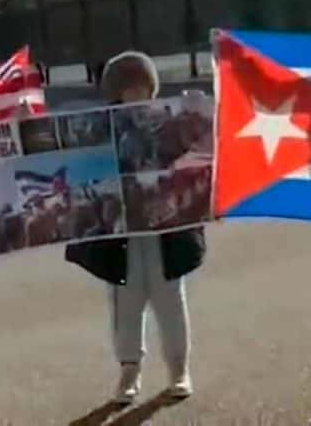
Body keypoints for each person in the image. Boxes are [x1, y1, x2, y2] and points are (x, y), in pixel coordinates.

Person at [65, 51, 206, 405]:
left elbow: (203, 145)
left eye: (142, 87)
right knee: (125, 303)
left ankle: (179, 368)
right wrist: (26, 122)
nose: (135, 95)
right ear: (115, 92)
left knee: (170, 298)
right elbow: (58, 150)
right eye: (127, 89)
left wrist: (198, 109)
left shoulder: (169, 122)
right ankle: (130, 370)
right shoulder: (102, 128)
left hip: (167, 230)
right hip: (120, 232)